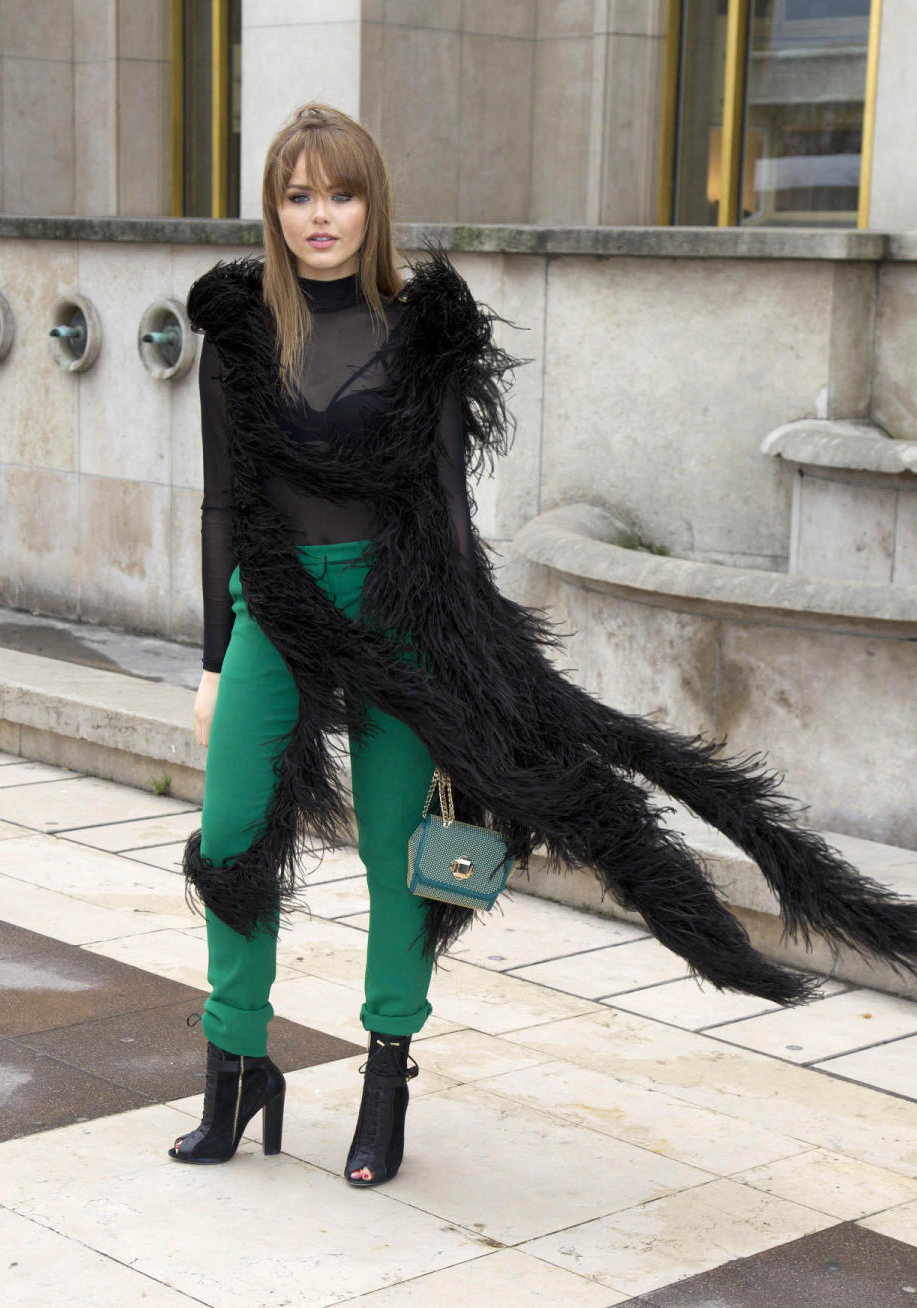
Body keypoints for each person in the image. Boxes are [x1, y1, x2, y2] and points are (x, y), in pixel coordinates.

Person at [169, 102, 917, 1187]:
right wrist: (210, 656)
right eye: (296, 195)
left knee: (401, 859)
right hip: (275, 610)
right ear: (274, 209)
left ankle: (386, 1077)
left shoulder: (418, 332)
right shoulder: (238, 333)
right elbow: (220, 508)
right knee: (232, 841)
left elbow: (444, 512)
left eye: (339, 193)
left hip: (403, 615)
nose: (317, 216)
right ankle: (235, 1069)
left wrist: (472, 667)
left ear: (371, 204)